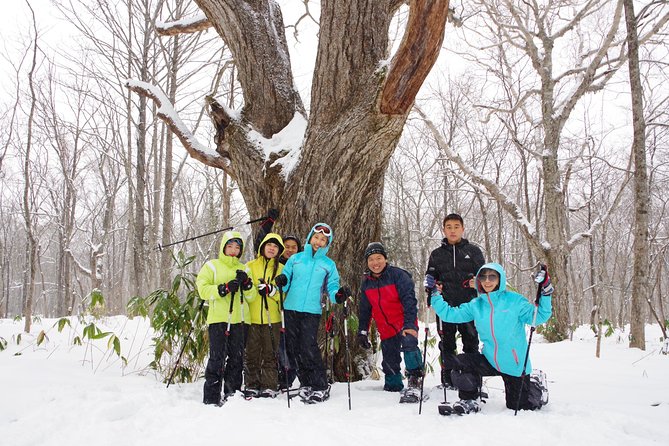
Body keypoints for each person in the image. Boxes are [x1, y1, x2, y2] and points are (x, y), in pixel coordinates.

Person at [430, 262, 553, 415]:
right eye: (483, 277)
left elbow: (539, 316)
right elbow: (450, 314)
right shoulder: (477, 304)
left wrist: (546, 291)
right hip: (490, 360)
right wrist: (435, 295)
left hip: (515, 364)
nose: (487, 281)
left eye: (492, 277)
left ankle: (535, 384)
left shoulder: (514, 301)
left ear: (500, 279)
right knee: (460, 363)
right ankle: (469, 398)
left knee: (518, 407)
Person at [274, 223, 349, 404]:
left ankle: (320, 385)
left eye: (323, 239)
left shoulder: (328, 265)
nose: (318, 241)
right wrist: (282, 280)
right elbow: (285, 282)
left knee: (308, 347)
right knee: (294, 347)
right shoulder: (296, 259)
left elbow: (332, 287)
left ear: (327, 243)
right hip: (291, 307)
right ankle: (305, 383)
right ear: (310, 238)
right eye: (316, 237)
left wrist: (338, 295)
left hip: (311, 310)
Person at [357, 242, 424, 403]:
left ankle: (415, 378)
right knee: (390, 361)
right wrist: (362, 331)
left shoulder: (399, 276)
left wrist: (409, 325)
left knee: (409, 344)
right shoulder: (366, 283)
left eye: (379, 258)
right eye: (371, 259)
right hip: (385, 328)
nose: (375, 263)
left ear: (385, 259)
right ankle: (393, 387)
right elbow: (365, 310)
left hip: (403, 323)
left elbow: (409, 301)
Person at [425, 213, 485, 390]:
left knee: (471, 343)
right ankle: (448, 381)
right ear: (444, 230)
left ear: (463, 229)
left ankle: (473, 381)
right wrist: (433, 286)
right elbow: (430, 279)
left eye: (456, 226)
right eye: (449, 227)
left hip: (470, 306)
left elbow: (487, 278)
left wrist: (478, 283)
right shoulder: (436, 254)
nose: (453, 230)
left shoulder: (473, 252)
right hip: (445, 307)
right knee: (447, 345)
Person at [196, 231, 253, 406]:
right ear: (223, 247)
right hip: (219, 319)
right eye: (230, 246)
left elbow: (252, 297)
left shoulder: (245, 268)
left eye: (237, 247)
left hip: (241, 320)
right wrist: (224, 289)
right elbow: (203, 290)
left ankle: (232, 392)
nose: (234, 250)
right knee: (217, 357)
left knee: (236, 358)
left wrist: (247, 285)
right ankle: (212, 396)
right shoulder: (212, 266)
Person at [243, 233, 285, 398]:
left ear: (279, 250)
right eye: (269, 245)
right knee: (252, 353)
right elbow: (245, 291)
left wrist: (272, 291)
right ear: (263, 247)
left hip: (272, 319)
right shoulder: (250, 266)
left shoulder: (282, 269)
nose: (272, 248)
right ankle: (251, 384)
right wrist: (251, 287)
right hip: (251, 318)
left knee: (270, 353)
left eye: (275, 246)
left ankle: (269, 386)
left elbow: (285, 297)